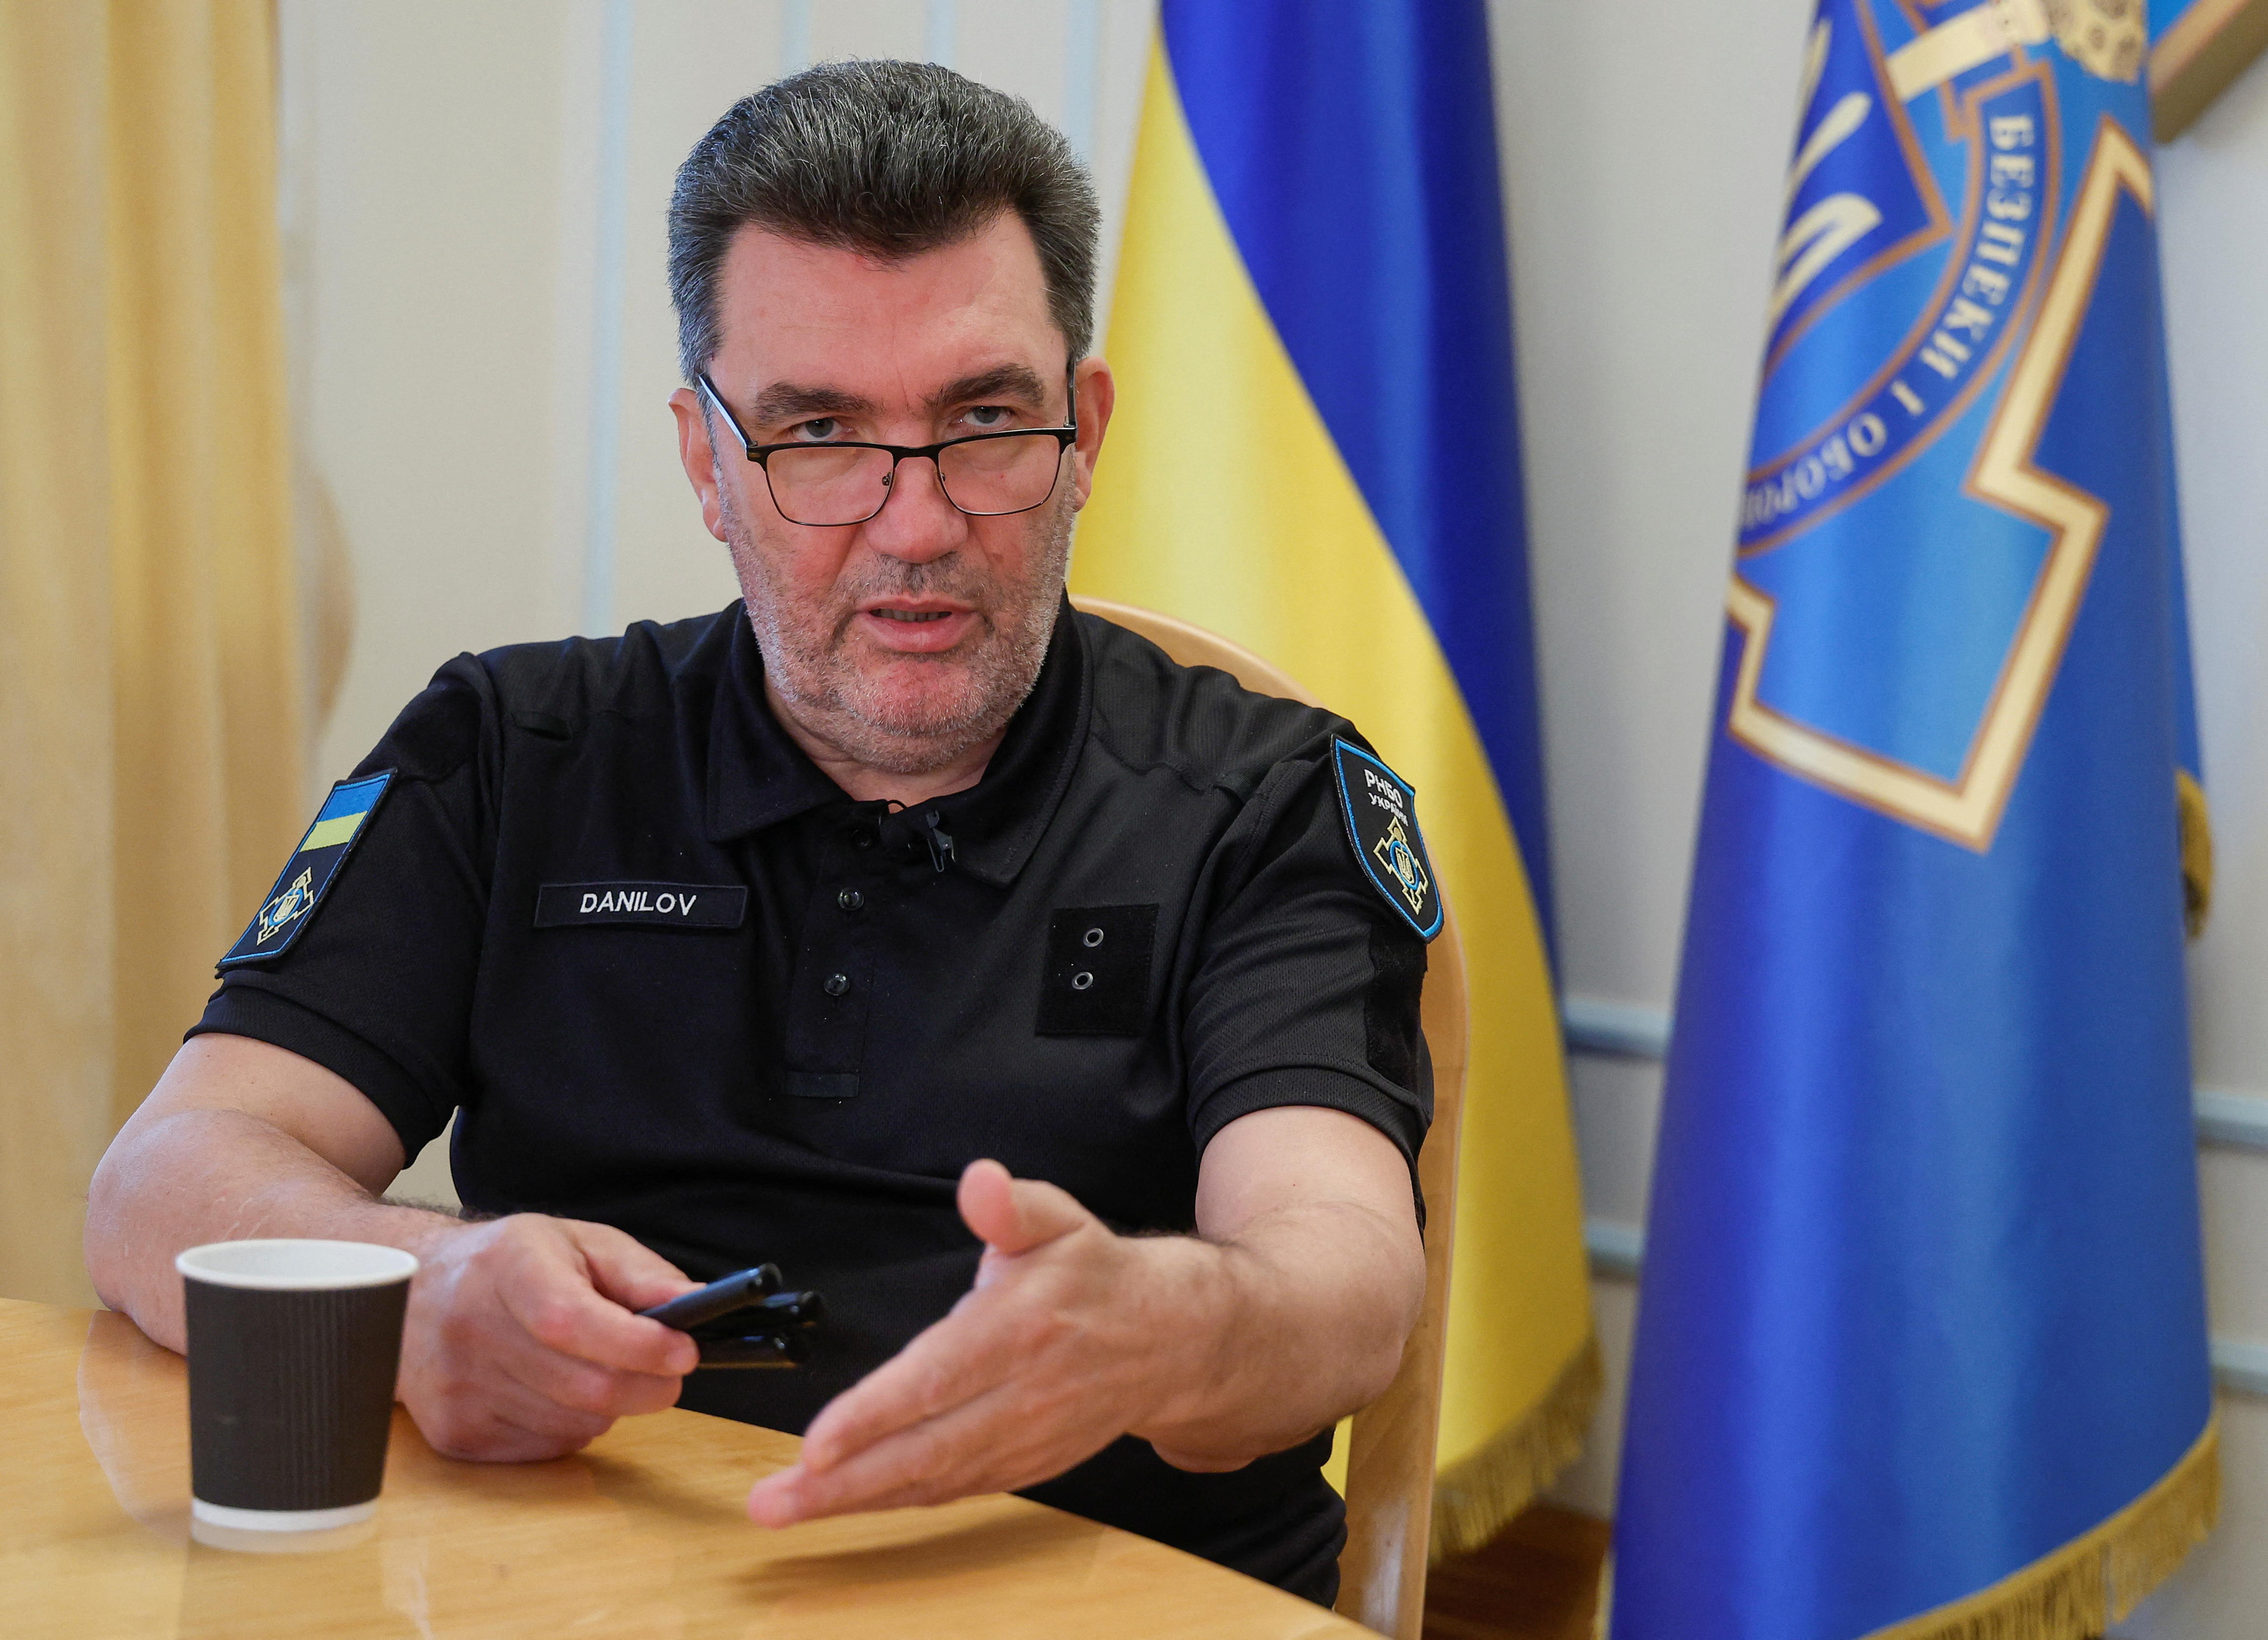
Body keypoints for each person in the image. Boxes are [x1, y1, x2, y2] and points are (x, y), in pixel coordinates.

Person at [85, 60, 1437, 1604]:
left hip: (1102, 1594)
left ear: (1086, 431)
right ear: (705, 458)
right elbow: (164, 1180)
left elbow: (1342, 1276)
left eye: (985, 419)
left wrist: (1167, 1329)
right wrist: (428, 1278)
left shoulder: (1265, 798)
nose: (914, 522)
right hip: (579, 1590)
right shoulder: (515, 752)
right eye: (817, 432)